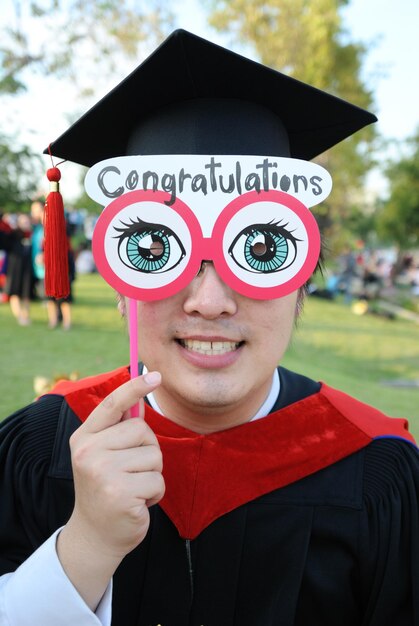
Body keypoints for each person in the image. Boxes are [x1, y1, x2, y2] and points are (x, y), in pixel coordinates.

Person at [0, 29, 418, 626]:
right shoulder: (42, 448)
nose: (210, 300)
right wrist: (84, 546)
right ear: (121, 286)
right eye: (155, 250)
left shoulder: (378, 474)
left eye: (261, 251)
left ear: (303, 280)